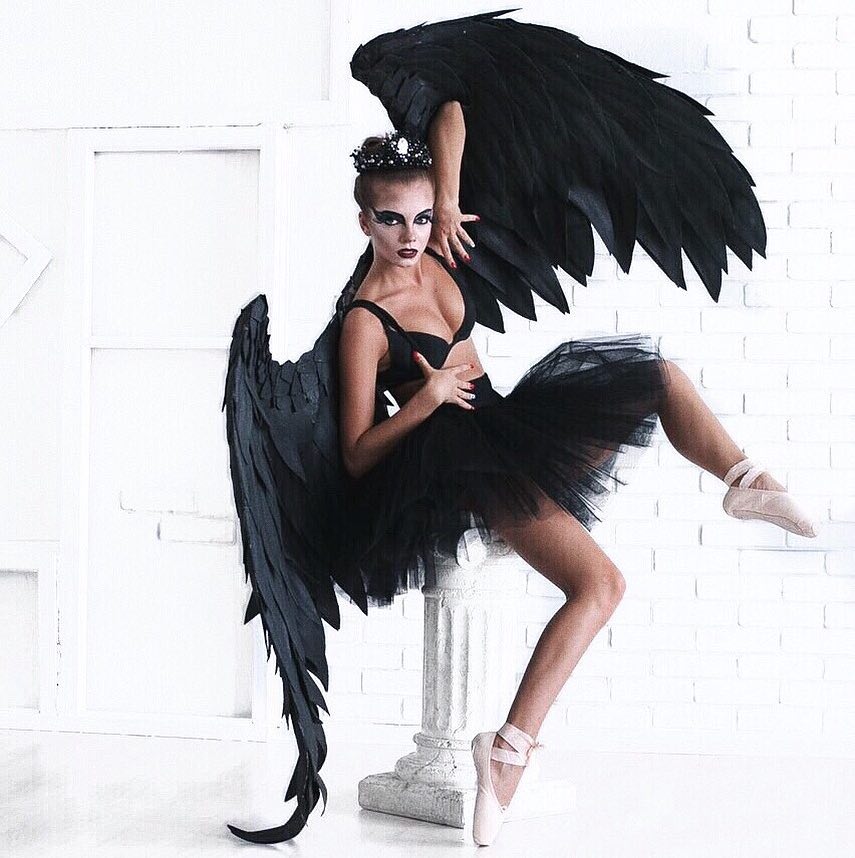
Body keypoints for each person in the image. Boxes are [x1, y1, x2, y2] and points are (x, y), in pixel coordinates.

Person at [222, 10, 818, 846]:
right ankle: (504, 753)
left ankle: (744, 483)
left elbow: (452, 110)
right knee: (599, 586)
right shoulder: (363, 321)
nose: (408, 236)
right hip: (453, 460)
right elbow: (355, 455)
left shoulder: (440, 251)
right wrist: (424, 400)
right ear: (363, 223)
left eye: (418, 218)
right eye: (391, 221)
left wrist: (448, 200)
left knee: (654, 376)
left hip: (503, 425)